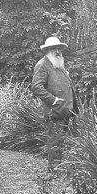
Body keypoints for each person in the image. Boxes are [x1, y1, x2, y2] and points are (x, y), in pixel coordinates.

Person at [31, 36, 79, 170]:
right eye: (54, 48)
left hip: (65, 109)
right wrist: (53, 100)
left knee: (60, 139)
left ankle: (59, 167)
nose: (57, 51)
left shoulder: (58, 63)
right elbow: (36, 87)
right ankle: (53, 169)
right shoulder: (42, 65)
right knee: (55, 140)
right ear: (47, 50)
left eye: (59, 48)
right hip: (54, 110)